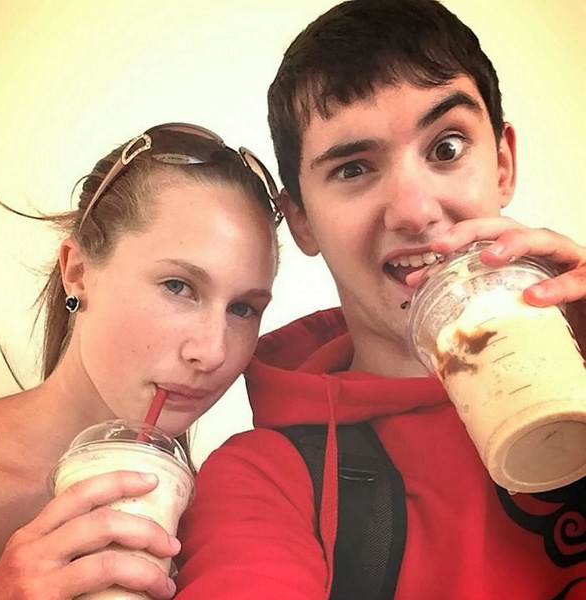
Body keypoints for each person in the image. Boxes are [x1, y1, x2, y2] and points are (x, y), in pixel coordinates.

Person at [174, 1, 586, 598]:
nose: (415, 211)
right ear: (302, 221)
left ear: (502, 164)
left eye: (446, 148)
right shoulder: (266, 480)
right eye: (353, 169)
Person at [0, 122, 282, 599]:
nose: (213, 352)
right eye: (178, 286)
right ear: (77, 272)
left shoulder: (215, 525)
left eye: (243, 309)